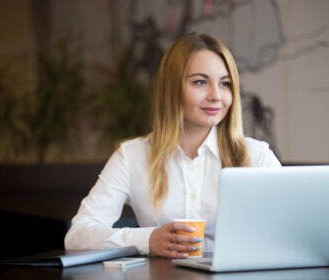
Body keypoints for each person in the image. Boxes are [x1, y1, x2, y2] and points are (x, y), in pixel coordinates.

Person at [64, 32, 281, 259]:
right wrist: (147, 239)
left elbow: (294, 230)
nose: (216, 95)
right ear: (172, 87)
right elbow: (78, 235)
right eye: (200, 82)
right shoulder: (131, 157)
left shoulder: (257, 157)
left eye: (225, 83)